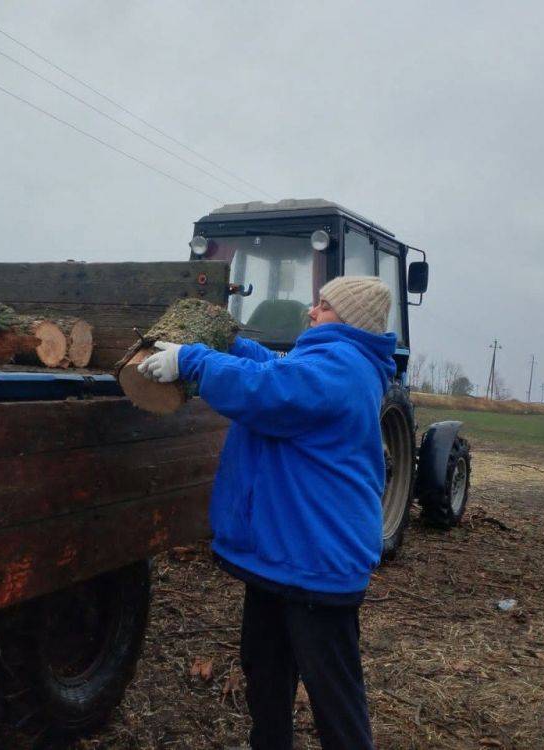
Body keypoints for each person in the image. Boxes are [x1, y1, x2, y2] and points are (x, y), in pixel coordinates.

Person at [138, 276, 397, 750]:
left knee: (333, 697)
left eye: (323, 305)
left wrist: (193, 360)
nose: (311, 311)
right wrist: (233, 344)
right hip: (282, 557)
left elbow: (269, 392)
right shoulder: (327, 361)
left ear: (352, 320)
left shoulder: (342, 366)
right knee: (265, 673)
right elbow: (276, 368)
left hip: (316, 562)